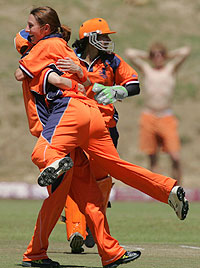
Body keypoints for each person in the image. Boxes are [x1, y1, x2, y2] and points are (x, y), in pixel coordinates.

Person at [15, 7, 189, 268]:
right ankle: (112, 247)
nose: (28, 31)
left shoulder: (42, 49)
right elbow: (76, 81)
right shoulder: (65, 52)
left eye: (31, 27)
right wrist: (76, 77)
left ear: (43, 32)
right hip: (92, 116)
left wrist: (37, 59)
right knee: (94, 192)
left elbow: (24, 73)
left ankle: (53, 169)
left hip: (68, 118)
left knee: (44, 158)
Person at [56, 17, 140, 253]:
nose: (107, 40)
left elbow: (135, 84)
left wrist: (117, 90)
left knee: (102, 179)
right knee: (73, 176)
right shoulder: (71, 58)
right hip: (76, 123)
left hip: (105, 127)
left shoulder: (112, 61)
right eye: (102, 36)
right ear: (89, 38)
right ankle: (75, 228)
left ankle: (93, 224)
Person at [125, 43, 191, 185]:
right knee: (152, 156)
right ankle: (158, 190)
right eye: (155, 54)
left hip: (166, 116)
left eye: (160, 54)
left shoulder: (170, 69)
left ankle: (177, 188)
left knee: (175, 156)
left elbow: (185, 51)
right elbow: (130, 52)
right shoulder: (148, 70)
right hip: (149, 115)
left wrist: (168, 55)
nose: (158, 57)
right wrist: (148, 55)